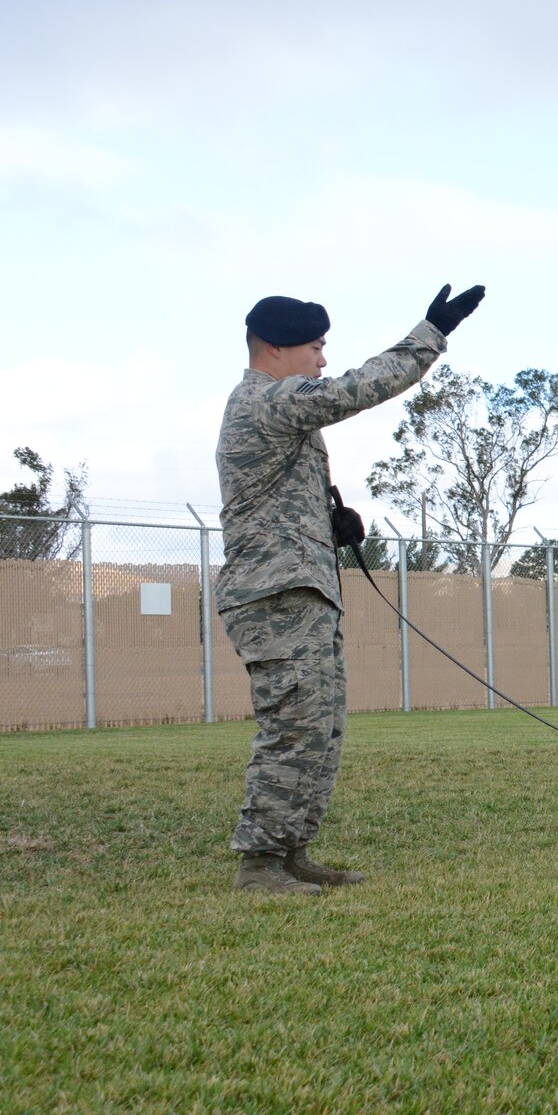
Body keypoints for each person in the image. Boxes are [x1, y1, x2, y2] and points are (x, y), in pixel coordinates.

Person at [215, 284, 484, 894]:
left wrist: (328, 520)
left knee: (321, 725)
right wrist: (430, 333)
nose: (322, 360)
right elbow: (356, 389)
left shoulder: (273, 406)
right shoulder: (267, 400)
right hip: (275, 592)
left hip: (297, 586)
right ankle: (259, 865)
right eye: (315, 346)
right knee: (294, 724)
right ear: (278, 349)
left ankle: (290, 853)